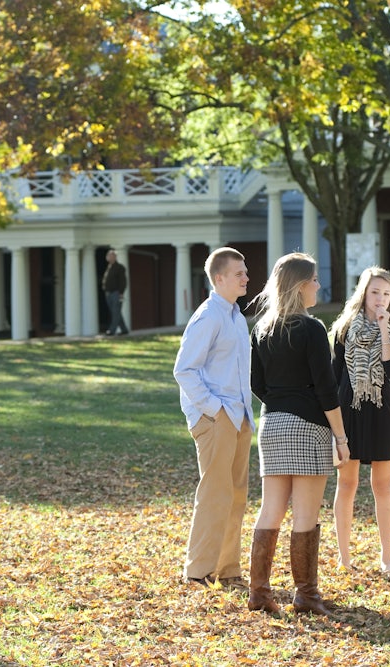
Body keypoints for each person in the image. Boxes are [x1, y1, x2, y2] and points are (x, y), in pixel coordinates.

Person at [247, 252, 349, 616]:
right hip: (308, 427)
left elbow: (255, 382)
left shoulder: (261, 328)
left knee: (270, 509)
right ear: (300, 284)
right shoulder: (311, 329)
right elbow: (327, 389)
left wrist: (280, 401)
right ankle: (306, 595)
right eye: (315, 279)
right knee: (305, 513)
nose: (319, 286)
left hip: (272, 424)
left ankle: (259, 592)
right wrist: (341, 437)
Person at [173, 246, 254, 591]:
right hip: (217, 418)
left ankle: (228, 568)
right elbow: (184, 370)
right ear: (219, 278)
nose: (246, 277)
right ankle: (197, 572)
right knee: (215, 494)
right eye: (239, 273)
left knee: (236, 495)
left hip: (240, 417)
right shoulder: (208, 316)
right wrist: (214, 409)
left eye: (245, 272)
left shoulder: (235, 315)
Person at [330, 267, 390, 574]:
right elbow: (334, 377)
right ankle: (344, 556)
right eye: (375, 292)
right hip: (348, 409)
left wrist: (385, 330)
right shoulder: (344, 326)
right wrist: (334, 427)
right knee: (346, 483)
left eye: (386, 294)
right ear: (363, 293)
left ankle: (386, 557)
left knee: (382, 485)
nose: (380, 299)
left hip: (381, 408)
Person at [102, 248, 129, 335]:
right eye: (108, 256)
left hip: (116, 293)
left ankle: (111, 330)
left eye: (111, 255)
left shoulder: (119, 268)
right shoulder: (109, 267)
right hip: (108, 293)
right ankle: (124, 329)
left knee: (115, 312)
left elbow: (123, 281)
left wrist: (121, 293)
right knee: (116, 312)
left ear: (115, 257)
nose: (109, 257)